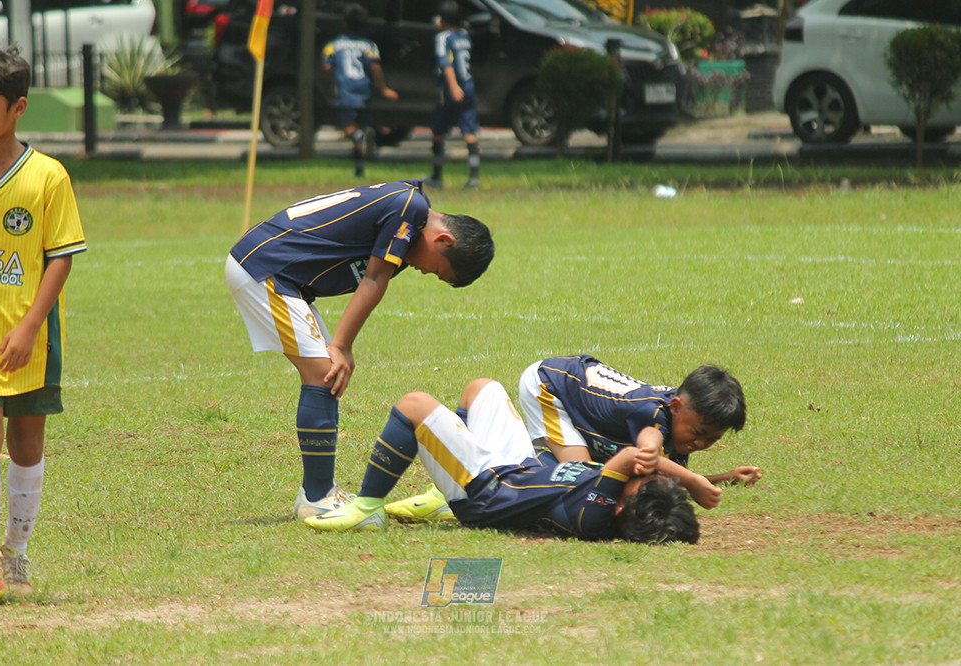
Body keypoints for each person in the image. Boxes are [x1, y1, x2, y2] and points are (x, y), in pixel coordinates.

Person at [225, 180, 493, 521]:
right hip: (266, 268)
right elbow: (373, 279)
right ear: (443, 240)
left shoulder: (408, 213)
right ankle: (317, 497)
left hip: (279, 271)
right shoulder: (408, 210)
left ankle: (320, 491)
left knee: (326, 376)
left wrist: (340, 346)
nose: (424, 271)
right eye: (435, 269)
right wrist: (341, 346)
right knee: (324, 375)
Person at [0, 46, 87, 602]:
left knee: (27, 441)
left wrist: (32, 325)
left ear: (18, 108)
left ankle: (16, 552)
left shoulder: (47, 177)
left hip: (29, 332)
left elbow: (60, 256)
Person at [305, 378, 700, 544]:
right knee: (483, 388)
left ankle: (366, 506)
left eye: (641, 481)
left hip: (483, 492)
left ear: (620, 507)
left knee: (414, 405)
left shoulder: (595, 517)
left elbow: (633, 455)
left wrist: (693, 481)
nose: (642, 473)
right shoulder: (608, 504)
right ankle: (439, 491)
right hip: (517, 471)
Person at [386, 354, 759, 522]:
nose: (699, 443)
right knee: (579, 475)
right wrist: (694, 480)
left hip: (577, 395)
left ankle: (471, 469)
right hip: (550, 386)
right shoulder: (652, 415)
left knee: (595, 473)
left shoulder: (676, 419)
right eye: (698, 433)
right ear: (676, 406)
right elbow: (644, 453)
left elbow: (660, 476)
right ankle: (452, 484)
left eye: (712, 439)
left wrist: (719, 479)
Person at [321, 3, 398, 178]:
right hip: (364, 89)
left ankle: (360, 138)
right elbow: (375, 66)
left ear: (345, 23)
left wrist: (337, 74)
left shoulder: (334, 45)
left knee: (349, 129)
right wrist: (384, 88)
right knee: (360, 125)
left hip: (346, 90)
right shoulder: (369, 45)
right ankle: (359, 169)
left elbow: (326, 66)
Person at [426, 0, 480, 190]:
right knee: (469, 129)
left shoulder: (443, 37)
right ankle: (474, 177)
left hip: (450, 89)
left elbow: (446, 63)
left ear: (442, 19)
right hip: (469, 86)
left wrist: (453, 86)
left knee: (438, 130)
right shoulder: (465, 36)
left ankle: (436, 175)